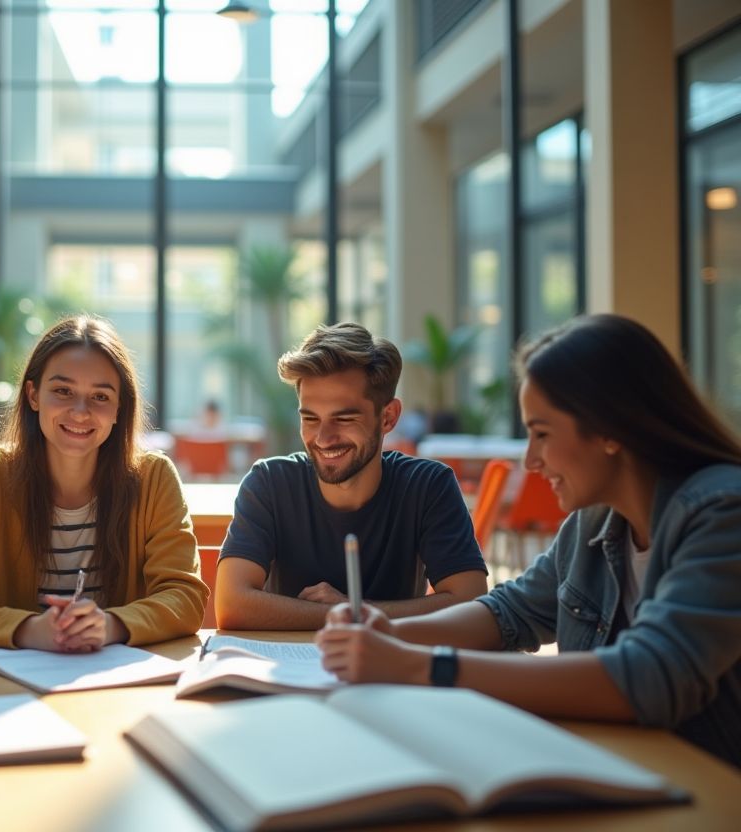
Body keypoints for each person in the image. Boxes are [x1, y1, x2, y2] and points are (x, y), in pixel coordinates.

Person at [316, 314, 741, 768]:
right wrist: (389, 635)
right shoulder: (593, 522)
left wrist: (418, 665)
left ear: (608, 430)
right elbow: (510, 611)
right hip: (618, 766)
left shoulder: (722, 512)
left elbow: (650, 676)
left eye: (541, 434)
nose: (531, 461)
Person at [0, 314, 208, 651]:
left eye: (100, 397)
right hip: (11, 676)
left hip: (118, 674)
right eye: (63, 391)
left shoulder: (155, 478)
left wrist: (111, 625)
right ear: (33, 395)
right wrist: (27, 629)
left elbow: (185, 596)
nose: (80, 411)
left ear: (119, 407)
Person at [216, 322, 488, 630]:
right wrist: (347, 615)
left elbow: (472, 603)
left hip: (388, 659)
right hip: (286, 660)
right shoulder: (269, 483)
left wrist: (354, 610)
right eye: (310, 418)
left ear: (388, 417)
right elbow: (231, 605)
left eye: (343, 419)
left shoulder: (428, 486)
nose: (323, 438)